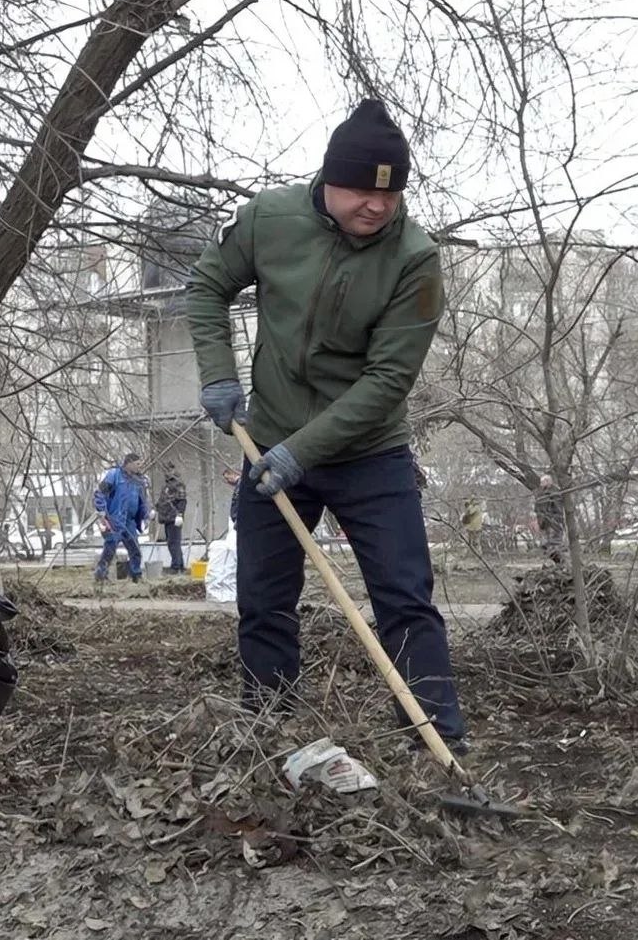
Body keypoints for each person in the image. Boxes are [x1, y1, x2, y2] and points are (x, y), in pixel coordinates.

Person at [186, 98, 466, 744]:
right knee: (263, 597)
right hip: (269, 441)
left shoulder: (414, 258)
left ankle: (435, 736)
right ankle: (272, 731)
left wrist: (303, 451)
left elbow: (388, 381)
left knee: (404, 596)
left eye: (391, 194)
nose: (378, 205)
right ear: (329, 179)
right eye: (363, 190)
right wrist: (218, 373)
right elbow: (206, 286)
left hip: (370, 454)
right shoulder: (268, 219)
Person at [93, 452, 151, 583]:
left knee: (135, 549)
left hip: (130, 521)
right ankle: (101, 575)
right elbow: (100, 493)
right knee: (110, 548)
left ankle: (136, 575)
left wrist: (145, 516)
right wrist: (101, 510)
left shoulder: (139, 480)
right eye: (137, 464)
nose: (139, 467)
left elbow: (142, 501)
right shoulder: (114, 475)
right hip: (115, 519)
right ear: (128, 463)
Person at [154, 462, 189, 573]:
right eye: (165, 470)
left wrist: (180, 514)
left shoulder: (178, 484)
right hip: (166, 518)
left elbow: (182, 501)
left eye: (169, 470)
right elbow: (163, 501)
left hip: (174, 518)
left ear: (173, 470)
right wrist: (155, 509)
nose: (167, 472)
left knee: (174, 543)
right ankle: (180, 565)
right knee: (172, 543)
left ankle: (176, 566)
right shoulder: (166, 486)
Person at [534, 474, 565, 561]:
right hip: (544, 521)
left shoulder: (554, 492)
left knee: (555, 542)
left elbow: (558, 508)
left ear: (548, 482)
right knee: (546, 544)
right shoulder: (540, 493)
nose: (541, 484)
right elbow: (537, 508)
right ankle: (555, 560)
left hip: (553, 520)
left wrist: (553, 518)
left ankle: (560, 561)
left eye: (542, 482)